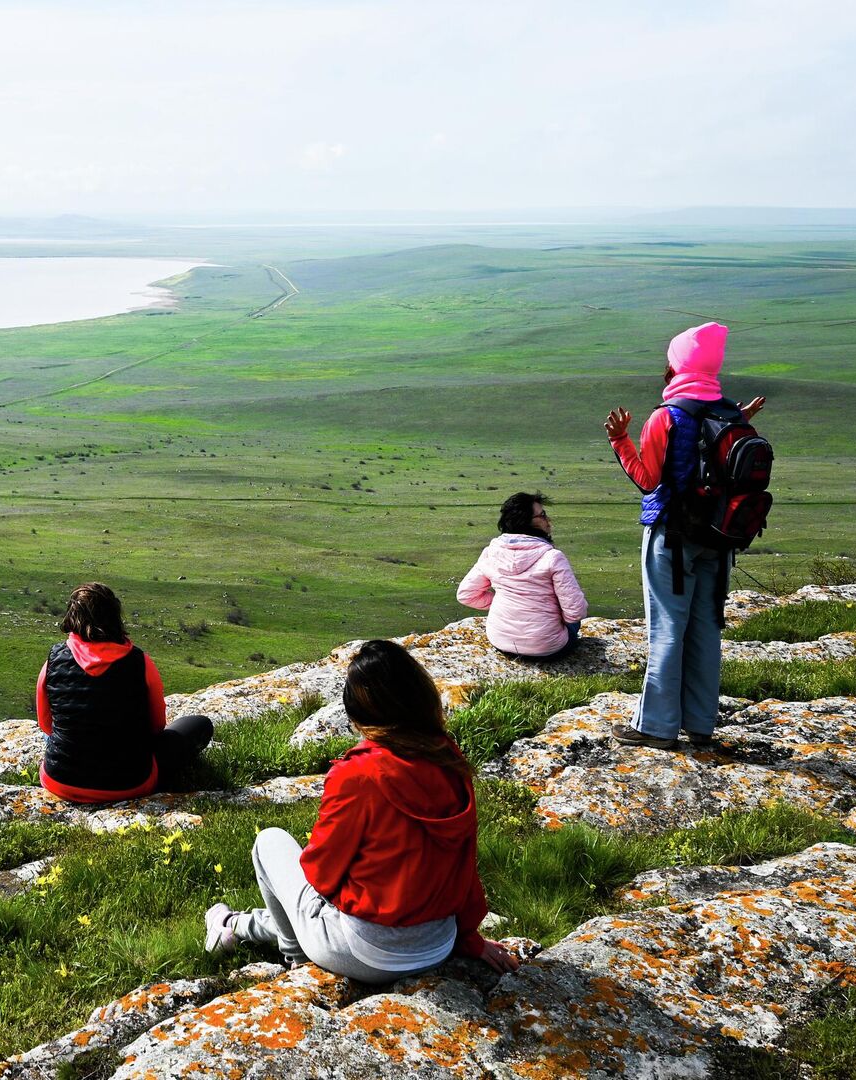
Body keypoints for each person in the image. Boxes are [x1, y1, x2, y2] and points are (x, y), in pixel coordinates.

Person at [203, 640, 521, 980]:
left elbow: (320, 874)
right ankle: (235, 925)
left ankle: (296, 963)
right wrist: (470, 939)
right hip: (438, 944)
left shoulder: (358, 774)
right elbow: (463, 864)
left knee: (269, 842)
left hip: (369, 953)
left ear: (356, 717)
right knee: (313, 901)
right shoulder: (448, 757)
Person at [604, 321, 766, 750]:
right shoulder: (729, 413)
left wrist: (620, 440)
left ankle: (655, 727)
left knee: (668, 627)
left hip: (672, 537)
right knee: (706, 627)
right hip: (720, 537)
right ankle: (700, 724)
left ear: (676, 366)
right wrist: (741, 420)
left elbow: (646, 479)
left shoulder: (667, 417)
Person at [36, 582, 213, 803]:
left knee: (56, 732)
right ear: (114, 616)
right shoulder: (139, 662)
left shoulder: (53, 661)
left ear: (72, 618)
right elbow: (156, 727)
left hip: (60, 781)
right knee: (200, 725)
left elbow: (46, 725)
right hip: (130, 783)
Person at [457, 491, 588, 661]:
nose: (548, 520)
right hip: (547, 648)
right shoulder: (552, 557)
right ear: (526, 523)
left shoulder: (491, 553)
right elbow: (576, 611)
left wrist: (505, 604)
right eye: (542, 515)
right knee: (574, 624)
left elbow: (466, 595)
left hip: (501, 641)